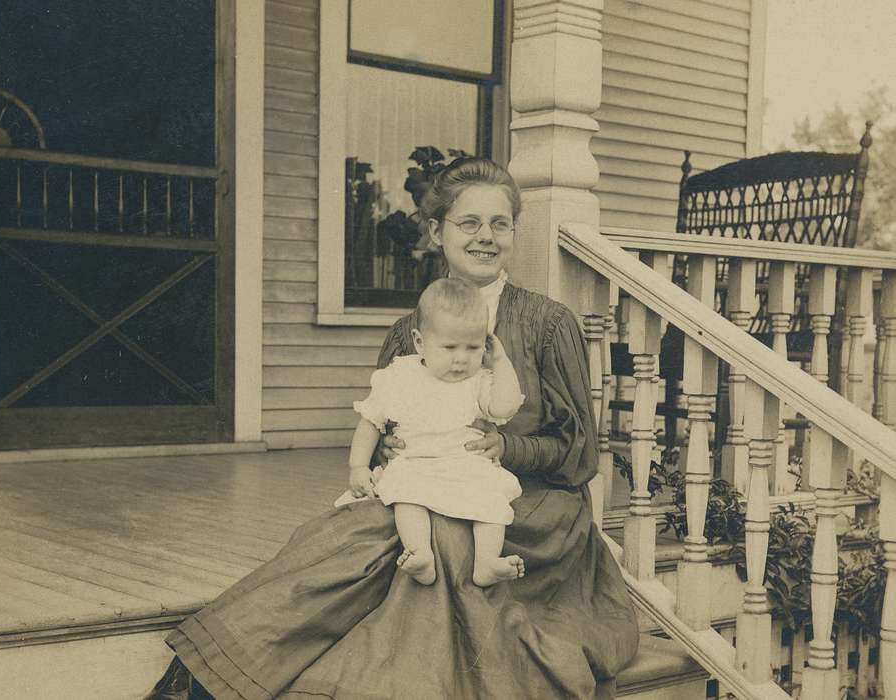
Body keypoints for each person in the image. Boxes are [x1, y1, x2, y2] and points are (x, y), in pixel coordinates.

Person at [145, 157, 639, 700]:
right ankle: (199, 679)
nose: (485, 237)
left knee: (441, 544)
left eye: (500, 223)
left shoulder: (547, 322)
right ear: (436, 232)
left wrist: (505, 445)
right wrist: (386, 448)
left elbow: (579, 451)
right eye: (468, 223)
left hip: (534, 505)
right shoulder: (412, 331)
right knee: (345, 536)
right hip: (430, 484)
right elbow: (385, 420)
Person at [346, 277, 525, 587]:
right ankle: (420, 554)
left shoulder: (479, 381)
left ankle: (486, 563)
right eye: (449, 347)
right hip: (415, 461)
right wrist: (358, 466)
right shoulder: (400, 376)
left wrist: (500, 360)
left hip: (466, 464)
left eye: (472, 347)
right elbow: (370, 421)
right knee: (406, 494)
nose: (461, 358)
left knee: (491, 499)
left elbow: (504, 407)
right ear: (420, 342)